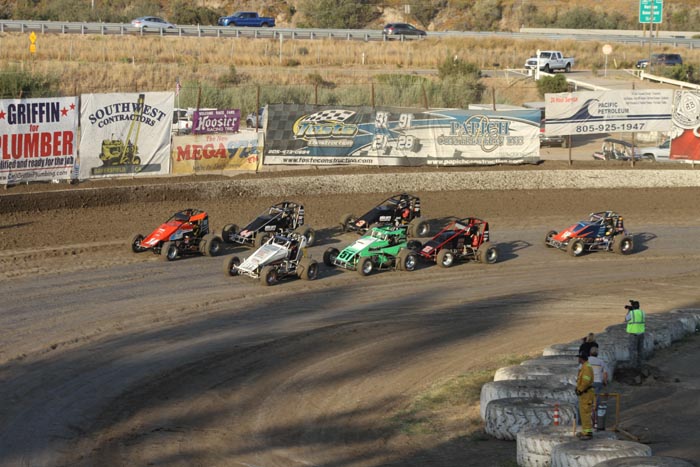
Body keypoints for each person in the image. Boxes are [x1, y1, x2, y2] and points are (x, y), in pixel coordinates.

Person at [588, 346, 609, 429]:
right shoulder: (601, 361)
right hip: (598, 383)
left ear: (590, 353)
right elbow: (605, 374)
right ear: (597, 354)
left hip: (588, 383)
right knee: (596, 400)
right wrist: (605, 382)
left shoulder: (586, 361)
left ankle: (590, 418)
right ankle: (596, 420)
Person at [575, 352, 595, 440]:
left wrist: (580, 389)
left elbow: (586, 381)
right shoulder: (584, 366)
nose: (578, 359)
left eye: (579, 357)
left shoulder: (587, 368)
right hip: (584, 394)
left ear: (581, 358)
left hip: (586, 393)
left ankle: (588, 433)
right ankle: (585, 431)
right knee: (583, 413)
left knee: (586, 413)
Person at [625, 299, 646, 368]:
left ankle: (633, 366)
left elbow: (626, 319)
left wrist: (629, 310)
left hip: (633, 334)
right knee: (640, 350)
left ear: (633, 307)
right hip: (641, 334)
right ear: (639, 306)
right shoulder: (642, 313)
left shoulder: (631, 313)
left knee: (632, 350)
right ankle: (641, 364)